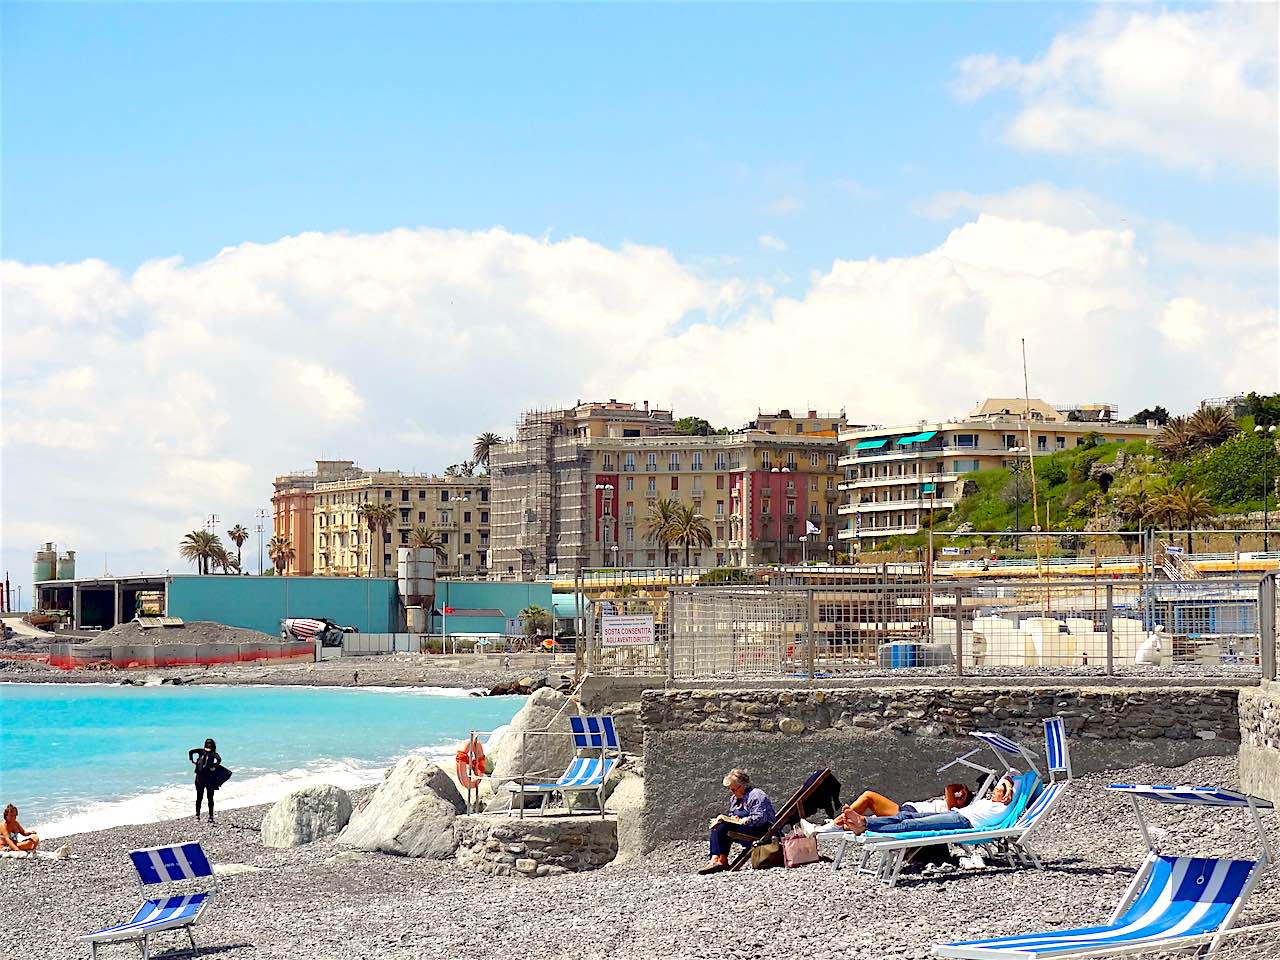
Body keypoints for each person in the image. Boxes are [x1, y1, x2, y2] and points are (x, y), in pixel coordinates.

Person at [840, 775, 1017, 836]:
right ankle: (860, 823)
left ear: (1006, 796)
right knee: (904, 817)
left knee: (911, 825)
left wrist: (1009, 789)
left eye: (998, 791)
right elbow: (1008, 777)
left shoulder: (1001, 808)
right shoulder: (989, 801)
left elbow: (1019, 777)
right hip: (957, 814)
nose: (994, 791)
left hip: (963, 821)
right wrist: (1006, 785)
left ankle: (864, 824)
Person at [799, 782, 973, 837]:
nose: (958, 794)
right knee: (863, 809)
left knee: (868, 796)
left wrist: (960, 791)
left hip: (908, 816)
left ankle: (824, 828)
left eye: (962, 795)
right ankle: (829, 828)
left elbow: (949, 789)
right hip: (907, 810)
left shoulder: (955, 811)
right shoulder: (951, 804)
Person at [698, 769, 776, 875]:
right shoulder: (735, 799)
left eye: (735, 789)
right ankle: (717, 859)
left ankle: (720, 860)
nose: (733, 792)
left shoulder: (756, 795)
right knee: (717, 825)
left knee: (723, 827)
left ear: (744, 785)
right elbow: (732, 815)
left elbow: (761, 818)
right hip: (744, 827)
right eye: (731, 790)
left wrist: (747, 819)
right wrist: (732, 818)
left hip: (760, 830)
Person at [2, 805, 70, 860]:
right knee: (29, 844)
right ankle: (27, 848)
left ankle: (27, 847)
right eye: (11, 815)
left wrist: (30, 833)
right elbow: (8, 839)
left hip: (16, 844)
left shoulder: (16, 823)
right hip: (6, 847)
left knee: (35, 838)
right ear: (6, 815)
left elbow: (23, 833)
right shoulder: (3, 825)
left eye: (15, 815)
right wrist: (17, 850)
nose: (13, 817)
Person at [188, 738, 223, 823]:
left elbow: (190, 751)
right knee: (210, 798)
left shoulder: (201, 751)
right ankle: (210, 817)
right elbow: (219, 759)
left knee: (199, 798)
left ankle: (197, 816)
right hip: (209, 779)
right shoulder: (213, 753)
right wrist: (214, 766)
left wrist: (191, 760)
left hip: (199, 778)